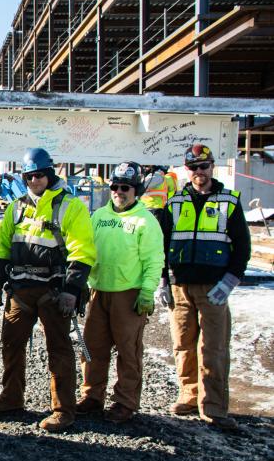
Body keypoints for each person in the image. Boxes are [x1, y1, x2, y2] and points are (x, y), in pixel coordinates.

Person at [0, 148, 96, 432]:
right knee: (11, 345)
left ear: (49, 174)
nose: (34, 180)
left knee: (59, 349)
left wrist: (72, 290)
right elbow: (2, 246)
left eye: (39, 175)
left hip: (54, 290)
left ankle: (63, 409)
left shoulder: (70, 207)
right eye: (29, 176)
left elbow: (82, 252)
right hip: (20, 290)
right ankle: (11, 398)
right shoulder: (16, 208)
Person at [159, 144, 251, 430]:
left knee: (213, 348)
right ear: (187, 170)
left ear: (212, 167)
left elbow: (242, 247)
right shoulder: (175, 202)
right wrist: (163, 280)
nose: (200, 172)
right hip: (180, 286)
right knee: (183, 345)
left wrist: (230, 281)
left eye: (204, 166)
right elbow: (161, 245)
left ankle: (213, 406)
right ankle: (189, 396)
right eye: (194, 168)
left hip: (214, 287)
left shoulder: (229, 202)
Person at [77, 161, 164, 423]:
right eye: (115, 186)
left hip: (128, 294)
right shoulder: (99, 216)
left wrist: (147, 292)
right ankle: (93, 396)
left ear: (136, 190)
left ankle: (125, 402)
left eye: (125, 187)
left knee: (128, 351)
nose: (119, 191)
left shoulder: (145, 221)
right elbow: (87, 251)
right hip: (99, 291)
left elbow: (153, 260)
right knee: (91, 348)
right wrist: (81, 282)